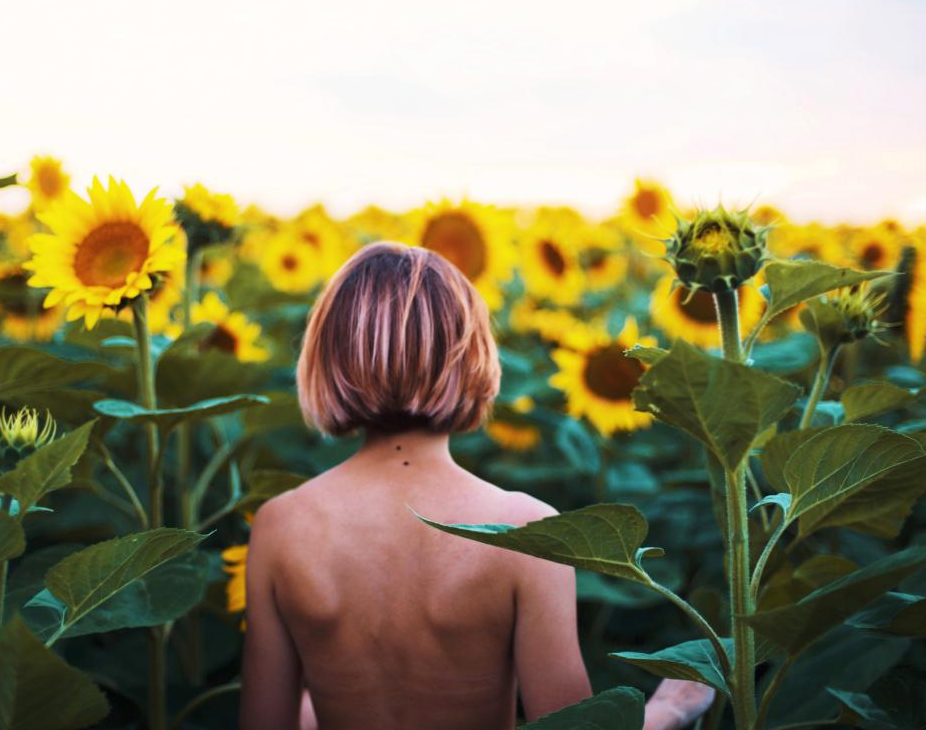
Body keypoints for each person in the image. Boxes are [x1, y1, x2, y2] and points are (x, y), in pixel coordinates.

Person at [240, 242, 715, 730]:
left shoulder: (282, 524)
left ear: (325, 359)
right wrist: (667, 712)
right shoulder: (526, 530)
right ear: (472, 359)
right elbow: (571, 726)